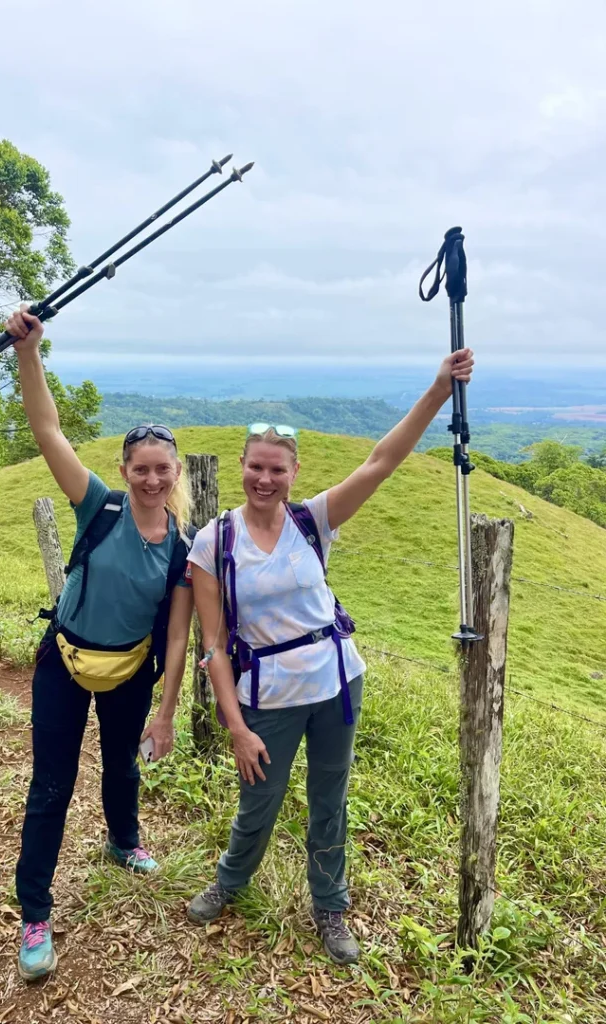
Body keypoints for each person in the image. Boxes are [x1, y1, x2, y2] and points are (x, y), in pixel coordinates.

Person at [185, 349, 474, 965]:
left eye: (278, 469)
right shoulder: (215, 541)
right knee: (259, 799)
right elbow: (211, 645)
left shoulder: (312, 520)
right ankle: (230, 881)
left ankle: (330, 905)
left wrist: (437, 391)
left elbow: (382, 461)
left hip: (338, 681)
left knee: (329, 796)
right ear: (241, 466)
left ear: (294, 472)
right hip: (267, 696)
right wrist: (235, 726)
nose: (266, 479)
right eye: (256, 467)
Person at [5, 306, 195, 982]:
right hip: (64, 661)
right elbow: (47, 428)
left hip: (131, 672)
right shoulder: (100, 506)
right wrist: (28, 351)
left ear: (176, 475)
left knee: (123, 769)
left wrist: (167, 710)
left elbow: (177, 633)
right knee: (51, 786)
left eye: (161, 470)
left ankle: (123, 840)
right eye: (140, 468)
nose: (150, 480)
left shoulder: (181, 548)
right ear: (125, 468)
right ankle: (35, 913)